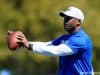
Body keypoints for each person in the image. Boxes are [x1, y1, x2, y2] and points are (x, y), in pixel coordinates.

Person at [12, 7, 93, 75]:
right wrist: (24, 43)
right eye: (64, 17)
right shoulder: (65, 38)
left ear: (79, 22)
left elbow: (56, 50)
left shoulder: (81, 40)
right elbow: (48, 45)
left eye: (69, 18)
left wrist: (29, 46)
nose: (65, 20)